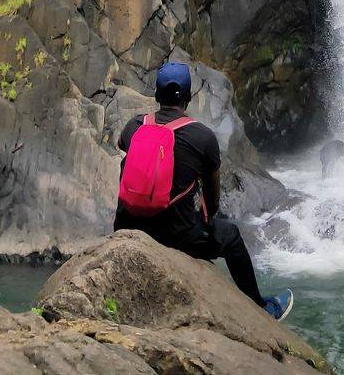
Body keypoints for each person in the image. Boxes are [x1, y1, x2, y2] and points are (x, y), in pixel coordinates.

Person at [114, 60, 293, 322]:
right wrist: (207, 219)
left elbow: (123, 146)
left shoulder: (134, 125)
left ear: (157, 96)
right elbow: (212, 197)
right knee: (230, 234)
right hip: (175, 235)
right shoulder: (202, 137)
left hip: (128, 225)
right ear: (188, 97)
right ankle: (262, 308)